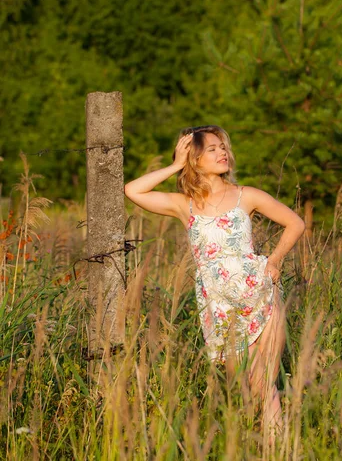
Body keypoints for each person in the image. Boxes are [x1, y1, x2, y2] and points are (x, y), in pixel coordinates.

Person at [124, 125, 305, 438]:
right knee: (244, 387)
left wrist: (274, 262)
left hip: (259, 290)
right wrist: (175, 166)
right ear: (194, 158)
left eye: (223, 146)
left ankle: (279, 459)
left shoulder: (246, 195)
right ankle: (261, 451)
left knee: (265, 384)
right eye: (212, 148)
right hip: (220, 306)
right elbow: (133, 191)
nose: (223, 152)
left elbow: (295, 223)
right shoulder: (184, 204)